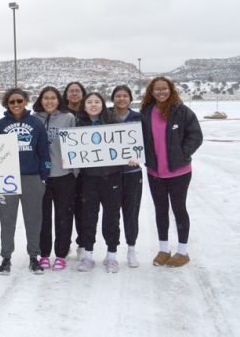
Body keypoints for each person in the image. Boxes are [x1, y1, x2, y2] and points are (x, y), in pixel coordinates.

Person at [141, 76, 203, 267]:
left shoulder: (182, 111)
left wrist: (182, 154)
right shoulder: (146, 112)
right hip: (155, 172)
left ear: (171, 90)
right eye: (157, 89)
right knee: (160, 210)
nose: (161, 92)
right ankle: (164, 249)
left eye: (164, 89)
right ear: (151, 92)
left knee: (178, 209)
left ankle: (183, 251)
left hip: (179, 172)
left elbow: (196, 136)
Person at [0, 89, 50, 275]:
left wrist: (44, 174)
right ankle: (6, 258)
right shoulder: (0, 125)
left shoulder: (36, 123)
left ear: (25, 101)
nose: (16, 104)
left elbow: (43, 151)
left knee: (33, 220)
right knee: (7, 219)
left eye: (19, 100)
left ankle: (34, 257)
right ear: (6, 104)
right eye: (11, 102)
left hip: (31, 177)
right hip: (7, 179)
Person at [75, 92, 125, 274]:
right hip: (89, 178)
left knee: (112, 217)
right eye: (89, 102)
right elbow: (72, 149)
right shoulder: (78, 124)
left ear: (103, 105)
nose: (93, 105)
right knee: (89, 216)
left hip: (112, 177)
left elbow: (125, 145)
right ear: (84, 105)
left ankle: (111, 256)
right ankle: (88, 256)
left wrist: (131, 157)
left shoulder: (113, 123)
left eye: (97, 102)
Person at [32, 86, 77, 271]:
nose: (49, 101)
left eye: (53, 98)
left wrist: (75, 171)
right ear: (40, 100)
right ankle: (43, 254)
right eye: (46, 98)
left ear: (59, 100)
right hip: (42, 177)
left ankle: (61, 254)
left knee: (63, 216)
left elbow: (76, 145)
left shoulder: (68, 118)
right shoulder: (34, 119)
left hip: (64, 176)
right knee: (42, 217)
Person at [110, 85, 143, 268]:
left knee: (131, 212)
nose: (121, 99)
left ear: (130, 99)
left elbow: (146, 142)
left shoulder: (138, 117)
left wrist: (139, 157)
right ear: (113, 98)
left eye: (125, 96)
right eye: (118, 96)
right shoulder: (107, 116)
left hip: (132, 173)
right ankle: (112, 251)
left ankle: (131, 249)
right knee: (112, 214)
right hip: (111, 173)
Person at [62, 81, 87, 259]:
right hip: (65, 170)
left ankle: (83, 243)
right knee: (65, 209)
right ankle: (64, 243)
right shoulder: (61, 113)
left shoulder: (89, 112)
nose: (74, 94)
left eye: (77, 91)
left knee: (83, 208)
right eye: (71, 91)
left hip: (86, 170)